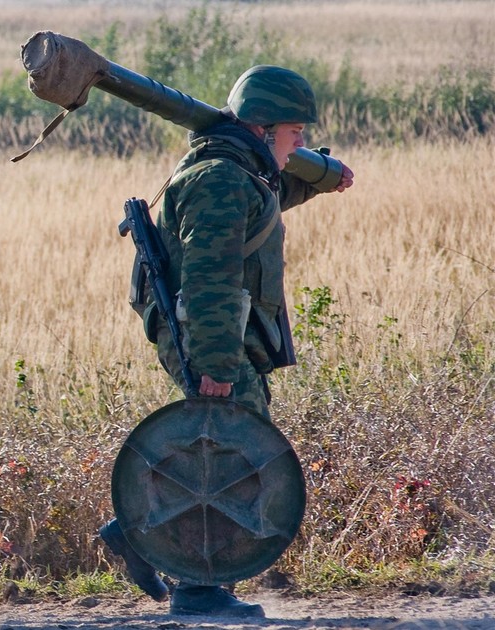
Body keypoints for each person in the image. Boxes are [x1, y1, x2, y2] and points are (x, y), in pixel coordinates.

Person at [101, 65, 354, 618]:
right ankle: (197, 590)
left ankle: (135, 531)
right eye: (295, 133)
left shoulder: (240, 172)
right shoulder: (221, 179)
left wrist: (324, 176)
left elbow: (268, 197)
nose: (301, 143)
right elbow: (210, 279)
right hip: (206, 338)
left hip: (216, 338)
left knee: (228, 451)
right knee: (234, 457)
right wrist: (215, 364)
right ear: (263, 128)